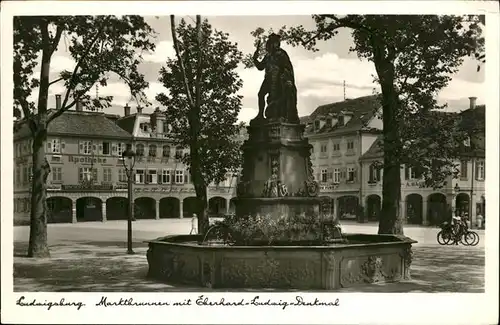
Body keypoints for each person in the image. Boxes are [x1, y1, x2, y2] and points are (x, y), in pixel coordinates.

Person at [252, 33, 299, 123]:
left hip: (278, 79)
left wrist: (287, 79)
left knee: (279, 96)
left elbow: (287, 67)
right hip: (268, 78)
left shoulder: (281, 54)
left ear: (275, 44)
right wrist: (255, 59)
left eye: (270, 43)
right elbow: (260, 67)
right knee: (260, 94)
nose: (268, 45)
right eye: (268, 43)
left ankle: (282, 115)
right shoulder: (268, 56)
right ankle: (260, 114)